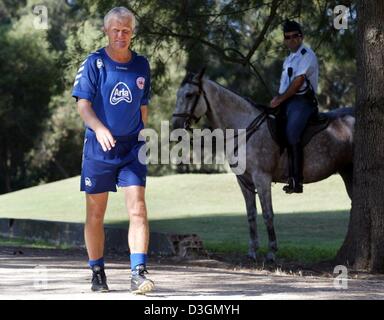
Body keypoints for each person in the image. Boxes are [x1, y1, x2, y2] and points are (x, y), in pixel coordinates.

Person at [72, 6, 154, 294]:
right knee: (96, 214)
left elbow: (143, 106)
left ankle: (138, 273)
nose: (121, 35)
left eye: (126, 30)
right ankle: (97, 272)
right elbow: (83, 105)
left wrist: (140, 132)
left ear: (132, 33)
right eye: (116, 30)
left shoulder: (142, 65)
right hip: (98, 147)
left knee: (139, 209)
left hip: (132, 149)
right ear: (106, 31)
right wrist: (100, 128)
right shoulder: (94, 63)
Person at [270, 20, 319, 194]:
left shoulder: (307, 54)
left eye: (294, 36)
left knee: (292, 133)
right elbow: (285, 85)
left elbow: (298, 83)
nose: (291, 40)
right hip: (287, 101)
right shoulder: (288, 59)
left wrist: (280, 99)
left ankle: (296, 180)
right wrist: (278, 99)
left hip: (303, 102)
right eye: (287, 37)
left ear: (301, 37)